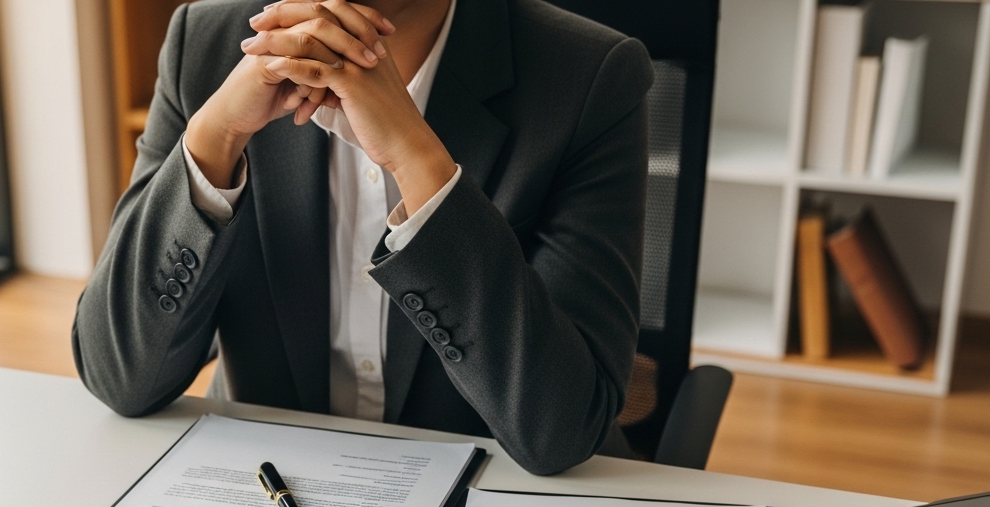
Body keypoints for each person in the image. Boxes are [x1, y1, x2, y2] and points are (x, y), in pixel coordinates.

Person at [73, 0, 652, 475]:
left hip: (487, 496)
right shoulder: (208, 42)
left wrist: (416, 158)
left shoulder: (590, 74)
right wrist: (215, 138)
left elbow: (561, 432)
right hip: (277, 490)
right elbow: (118, 378)